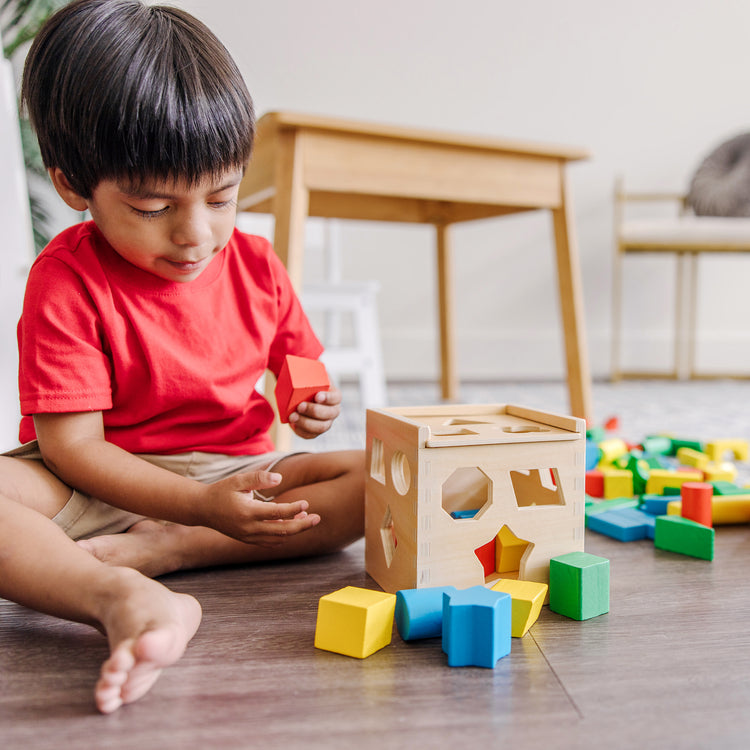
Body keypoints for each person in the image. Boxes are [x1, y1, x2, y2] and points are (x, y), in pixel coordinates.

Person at [1, 0, 365, 714]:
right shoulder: (68, 276)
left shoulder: (257, 264)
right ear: (75, 186)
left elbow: (299, 365)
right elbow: (72, 449)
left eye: (222, 197)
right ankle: (119, 594)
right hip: (104, 478)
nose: (195, 234)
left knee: (384, 472)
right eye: (152, 208)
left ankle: (177, 549)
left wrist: (311, 403)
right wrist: (198, 501)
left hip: (233, 469)